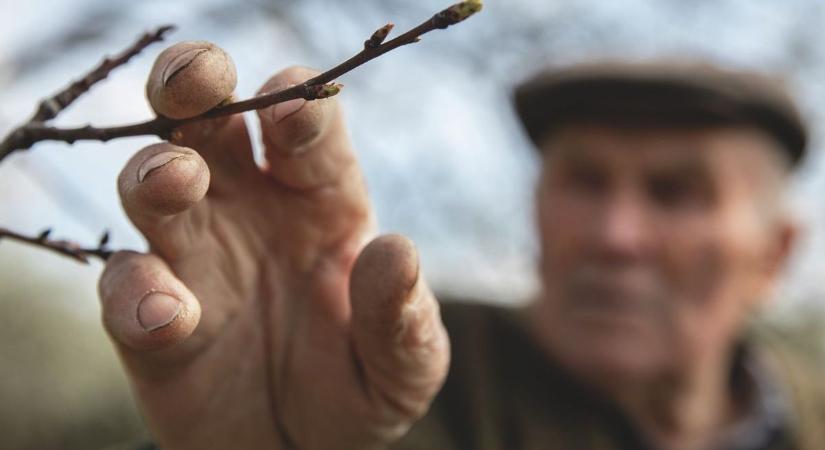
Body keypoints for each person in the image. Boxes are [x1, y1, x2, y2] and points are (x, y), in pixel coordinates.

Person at [99, 50, 825, 449]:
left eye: (674, 193)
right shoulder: (377, 382)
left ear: (774, 253)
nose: (613, 236)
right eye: (583, 182)